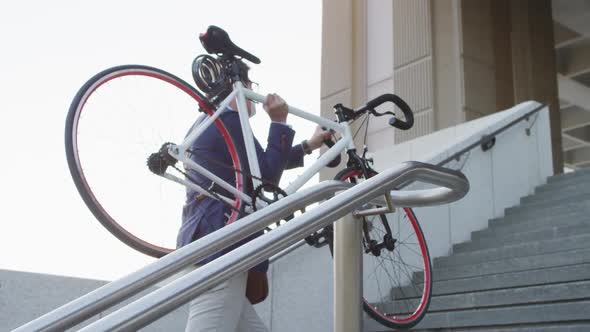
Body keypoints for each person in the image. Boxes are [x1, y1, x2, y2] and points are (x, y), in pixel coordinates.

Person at [177, 73, 331, 332]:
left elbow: (251, 169)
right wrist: (280, 123)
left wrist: (308, 145)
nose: (253, 93)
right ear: (238, 88)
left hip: (206, 239)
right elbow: (264, 177)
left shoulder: (206, 122)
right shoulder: (229, 121)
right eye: (251, 85)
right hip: (224, 246)